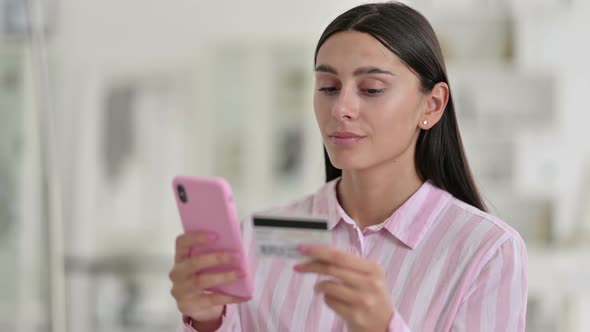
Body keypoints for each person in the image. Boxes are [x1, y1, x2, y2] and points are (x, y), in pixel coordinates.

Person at [169, 2, 528, 331]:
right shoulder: (258, 236)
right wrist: (206, 320)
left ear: (432, 106)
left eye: (371, 89)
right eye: (328, 86)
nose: (341, 108)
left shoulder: (487, 250)